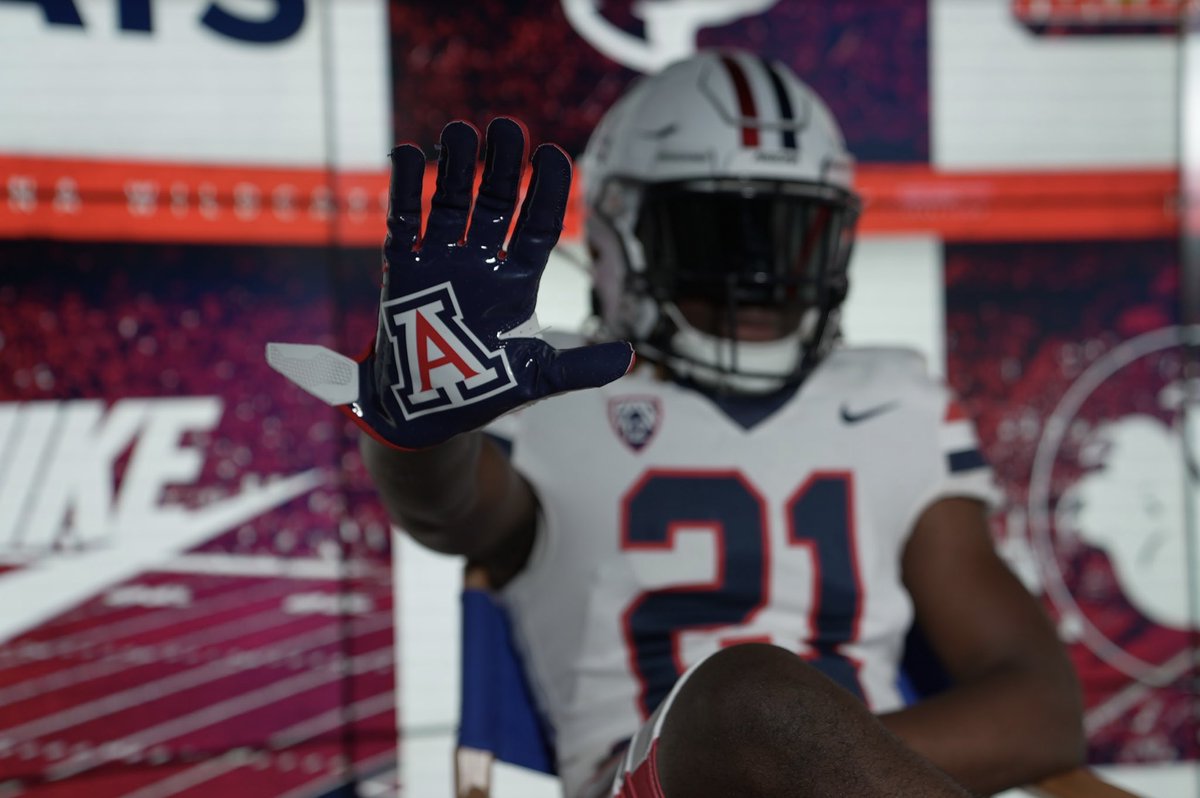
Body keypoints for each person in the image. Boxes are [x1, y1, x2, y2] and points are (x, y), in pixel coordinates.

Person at [268, 50, 1084, 798]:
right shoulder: (537, 379)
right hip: (651, 782)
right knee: (744, 697)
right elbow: (447, 511)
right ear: (624, 238)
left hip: (852, 779)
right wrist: (422, 432)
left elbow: (1040, 708)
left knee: (764, 709)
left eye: (790, 237)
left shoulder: (893, 395)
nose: (757, 281)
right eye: (715, 238)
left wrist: (810, 769)